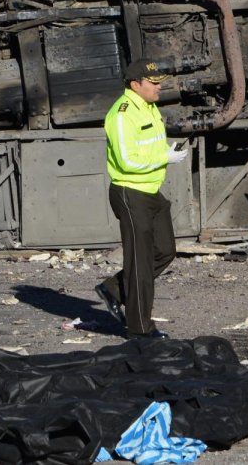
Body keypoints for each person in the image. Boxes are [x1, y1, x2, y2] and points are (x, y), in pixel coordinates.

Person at [95, 59, 188, 339]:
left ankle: (113, 288)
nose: (159, 87)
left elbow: (146, 146)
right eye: (154, 83)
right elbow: (126, 161)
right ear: (136, 85)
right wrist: (164, 157)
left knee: (165, 250)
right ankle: (140, 329)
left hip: (150, 191)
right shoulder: (122, 114)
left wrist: (165, 151)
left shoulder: (148, 107)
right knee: (141, 263)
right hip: (131, 192)